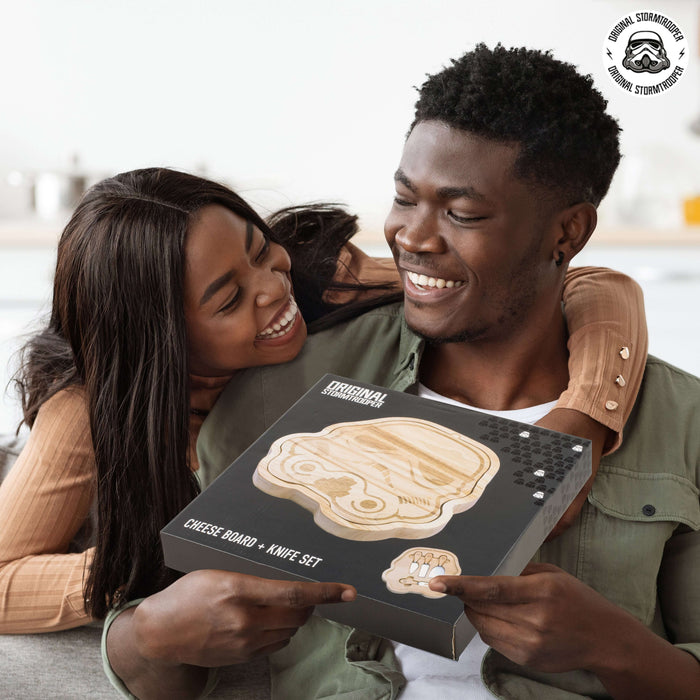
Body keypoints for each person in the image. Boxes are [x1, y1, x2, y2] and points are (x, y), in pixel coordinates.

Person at [102, 46, 699, 699]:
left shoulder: (680, 420)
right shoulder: (280, 391)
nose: (413, 236)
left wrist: (616, 647)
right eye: (403, 197)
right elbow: (186, 656)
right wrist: (148, 638)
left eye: (462, 213)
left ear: (568, 233)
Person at [0, 167, 642, 637]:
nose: (274, 288)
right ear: (160, 340)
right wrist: (154, 568)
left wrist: (579, 423)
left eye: (259, 251)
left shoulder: (323, 277)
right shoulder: (84, 412)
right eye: (228, 300)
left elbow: (591, 283)